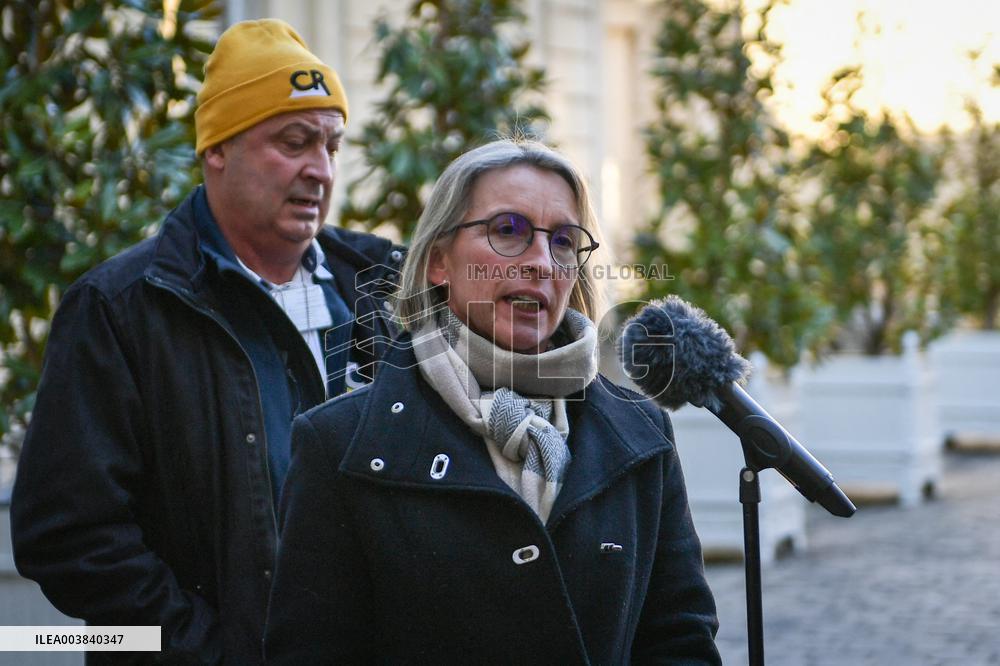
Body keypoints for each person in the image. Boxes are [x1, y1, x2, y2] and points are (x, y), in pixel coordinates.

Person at [10, 19, 403, 664]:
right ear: (216, 149)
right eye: (294, 142)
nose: (320, 170)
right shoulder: (120, 308)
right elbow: (69, 538)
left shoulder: (382, 287)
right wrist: (210, 651)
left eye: (332, 145)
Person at [264, 139, 722, 663]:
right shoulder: (338, 444)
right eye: (509, 231)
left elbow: (678, 641)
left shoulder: (641, 435)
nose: (543, 263)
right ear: (439, 261)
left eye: (565, 241)